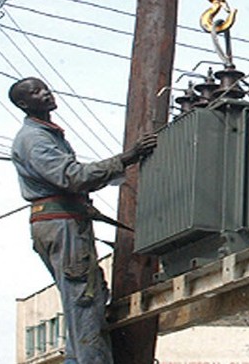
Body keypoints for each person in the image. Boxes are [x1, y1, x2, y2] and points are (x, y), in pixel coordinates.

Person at [9, 77, 157, 364]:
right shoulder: (34, 139)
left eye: (44, 87)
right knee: (84, 303)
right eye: (36, 92)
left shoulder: (46, 134)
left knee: (87, 300)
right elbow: (73, 177)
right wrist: (129, 157)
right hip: (63, 226)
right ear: (23, 104)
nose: (46, 93)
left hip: (64, 223)